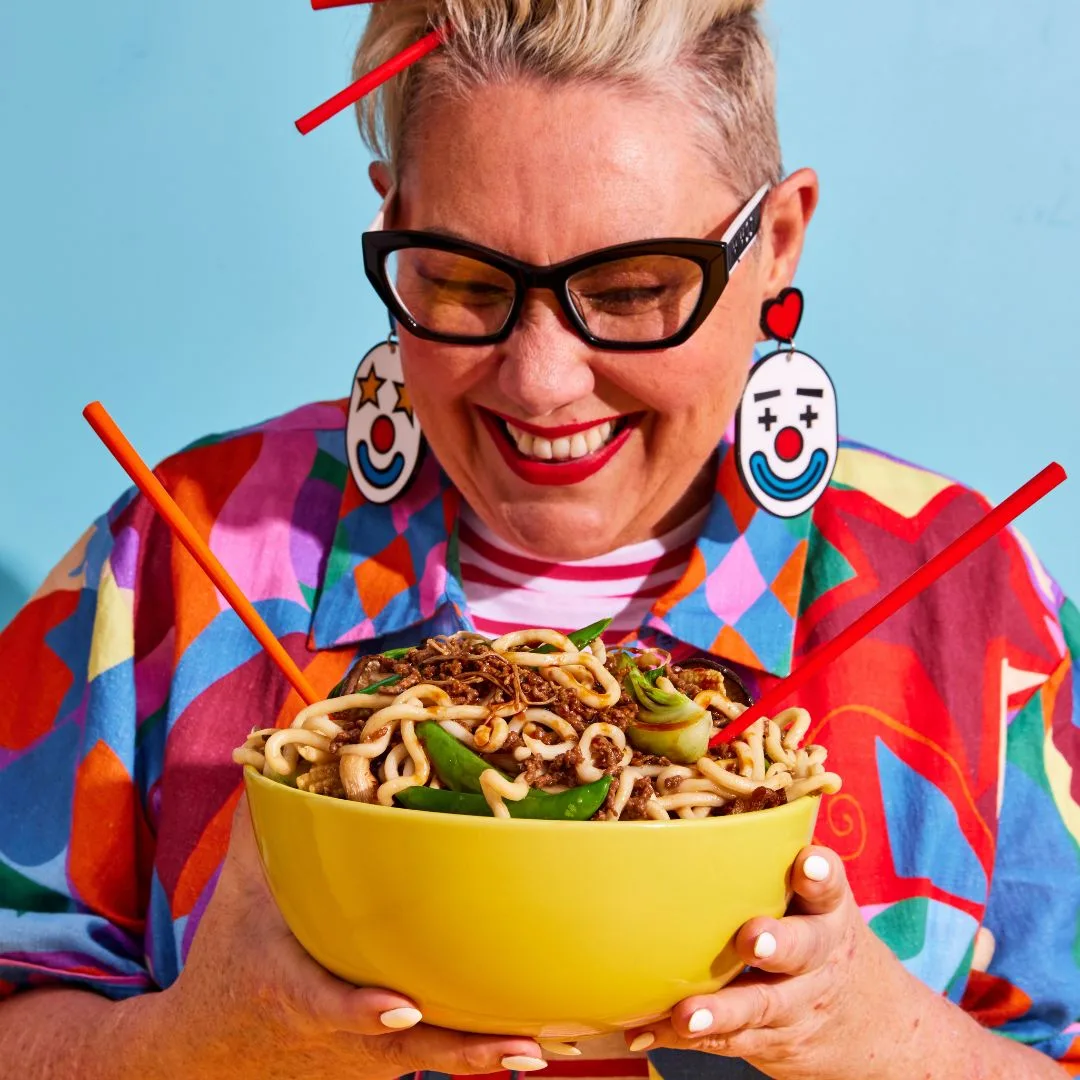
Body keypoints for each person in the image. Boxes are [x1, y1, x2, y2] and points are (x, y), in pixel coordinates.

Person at [1, 1, 1077, 1077]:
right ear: (390, 229)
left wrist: (873, 1031)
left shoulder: (966, 600)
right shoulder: (183, 552)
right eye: (465, 283)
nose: (542, 381)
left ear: (777, 244)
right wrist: (202, 1047)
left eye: (633, 290)